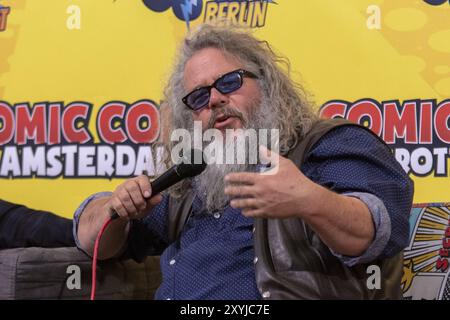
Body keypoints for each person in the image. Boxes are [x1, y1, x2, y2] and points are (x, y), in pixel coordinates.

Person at [74, 24, 413, 300]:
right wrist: (112, 209)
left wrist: (308, 200)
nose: (216, 99)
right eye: (199, 97)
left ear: (266, 83)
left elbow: (377, 233)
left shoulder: (327, 143)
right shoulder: (196, 179)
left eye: (229, 82)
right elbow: (93, 240)